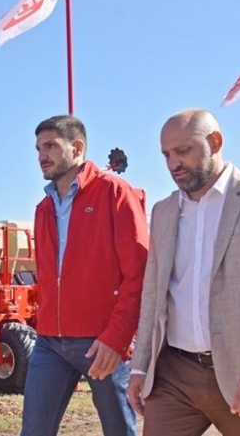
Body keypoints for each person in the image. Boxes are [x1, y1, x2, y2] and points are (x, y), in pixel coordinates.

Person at [128, 108, 240, 436]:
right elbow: (153, 294)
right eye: (166, 154)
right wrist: (141, 365)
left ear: (215, 142)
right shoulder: (163, 211)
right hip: (173, 378)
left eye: (183, 151)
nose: (173, 164)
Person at [22, 115, 149, 436]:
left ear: (77, 148)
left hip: (102, 342)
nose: (41, 155)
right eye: (38, 148)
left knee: (119, 431)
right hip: (50, 342)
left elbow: (140, 272)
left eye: (51, 145)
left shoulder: (115, 193)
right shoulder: (43, 209)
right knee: (34, 430)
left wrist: (118, 339)